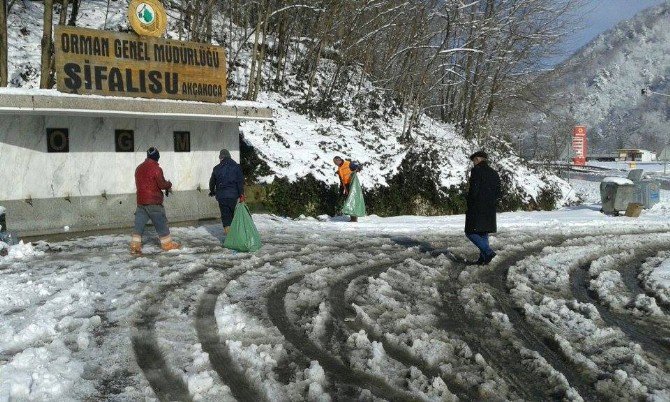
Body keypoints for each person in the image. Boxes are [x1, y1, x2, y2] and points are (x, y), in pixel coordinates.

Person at [130, 147, 181, 255]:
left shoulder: (138, 168)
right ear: (156, 156)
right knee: (161, 224)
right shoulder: (157, 169)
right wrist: (169, 184)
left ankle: (135, 246)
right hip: (154, 202)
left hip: (141, 202)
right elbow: (162, 184)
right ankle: (167, 245)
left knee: (138, 226)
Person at [464, 150, 501, 265]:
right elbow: (498, 192)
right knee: (483, 232)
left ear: (477, 159)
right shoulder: (494, 173)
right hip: (490, 208)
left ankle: (488, 252)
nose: (473, 163)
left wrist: (469, 201)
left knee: (470, 232)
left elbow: (474, 189)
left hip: (477, 207)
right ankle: (483, 258)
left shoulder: (476, 170)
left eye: (474, 161)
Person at [209, 149, 245, 235]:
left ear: (221, 158)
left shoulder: (216, 168)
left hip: (221, 196)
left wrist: (212, 191)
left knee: (225, 216)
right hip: (233, 196)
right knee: (233, 215)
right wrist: (241, 194)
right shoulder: (236, 167)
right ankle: (236, 236)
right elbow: (240, 182)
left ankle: (229, 236)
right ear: (229, 157)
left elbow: (212, 182)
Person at [333, 156, 361, 222]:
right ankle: (352, 217)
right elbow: (341, 180)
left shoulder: (348, 164)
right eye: (334, 162)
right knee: (349, 200)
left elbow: (359, 167)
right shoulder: (339, 168)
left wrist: (357, 169)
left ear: (339, 160)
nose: (335, 163)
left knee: (352, 200)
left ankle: (354, 218)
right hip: (346, 186)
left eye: (335, 162)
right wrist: (341, 189)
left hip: (352, 185)